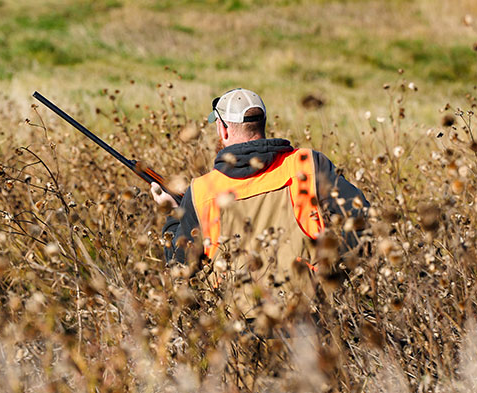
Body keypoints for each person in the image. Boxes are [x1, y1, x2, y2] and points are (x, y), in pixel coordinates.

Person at [151, 88, 369, 298]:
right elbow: (364, 220)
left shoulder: (201, 190)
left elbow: (179, 266)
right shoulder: (307, 163)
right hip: (309, 312)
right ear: (263, 124)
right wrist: (333, 276)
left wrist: (172, 214)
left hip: (235, 322)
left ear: (223, 130)